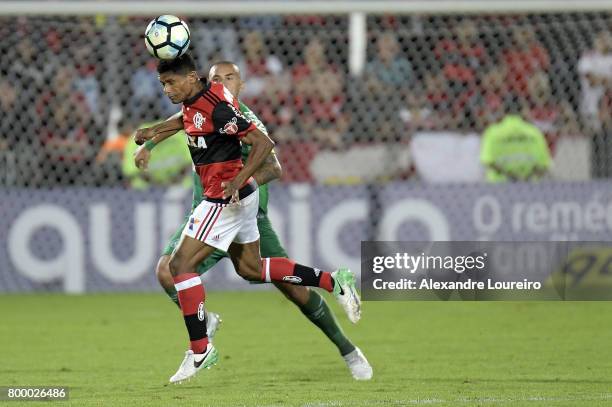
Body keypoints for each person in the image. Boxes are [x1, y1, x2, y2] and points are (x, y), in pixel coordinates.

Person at [139, 54, 363, 383]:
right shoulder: (197, 102)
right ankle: (335, 281)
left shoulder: (223, 109)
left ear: (193, 79)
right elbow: (184, 120)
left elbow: (264, 146)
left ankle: (201, 349)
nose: (166, 90)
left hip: (226, 199)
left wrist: (238, 178)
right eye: (162, 85)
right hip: (232, 199)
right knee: (251, 269)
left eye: (171, 83)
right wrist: (152, 135)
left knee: (179, 266)